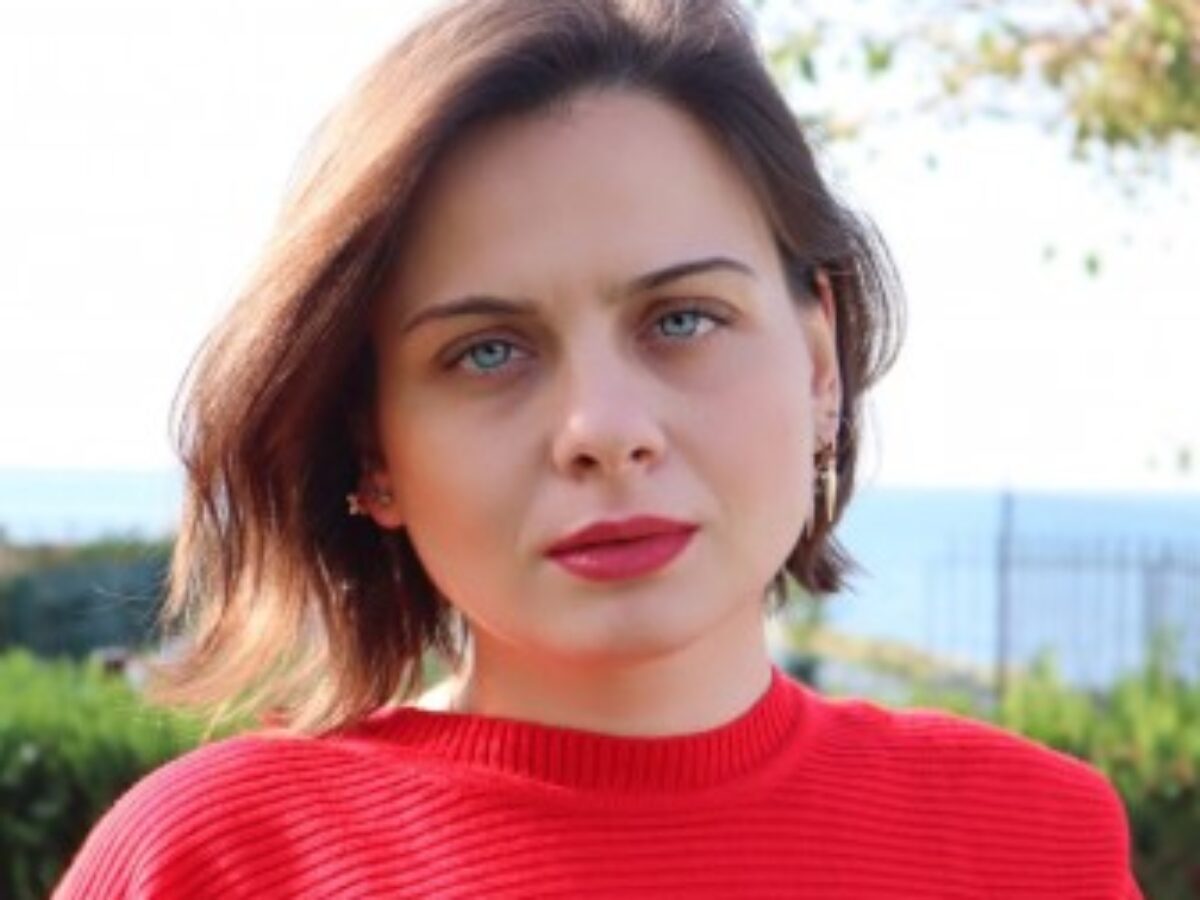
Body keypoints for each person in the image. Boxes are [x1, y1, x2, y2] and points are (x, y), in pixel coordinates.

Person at [54, 0, 1143, 897]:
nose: (605, 431)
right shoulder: (215, 862)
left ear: (820, 366)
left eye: (683, 320)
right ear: (372, 449)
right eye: (487, 352)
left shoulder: (1036, 845)